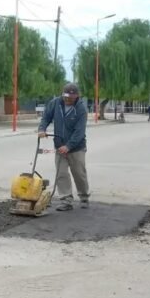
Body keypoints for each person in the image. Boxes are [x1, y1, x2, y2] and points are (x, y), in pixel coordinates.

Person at [38, 83, 90, 211]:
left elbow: (79, 131)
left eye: (71, 97)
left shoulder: (81, 109)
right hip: (59, 145)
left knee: (79, 174)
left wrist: (68, 146)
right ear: (62, 94)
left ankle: (84, 197)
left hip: (77, 147)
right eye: (66, 96)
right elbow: (46, 118)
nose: (68, 99)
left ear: (77, 96)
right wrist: (42, 129)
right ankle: (66, 200)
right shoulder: (55, 103)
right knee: (61, 174)